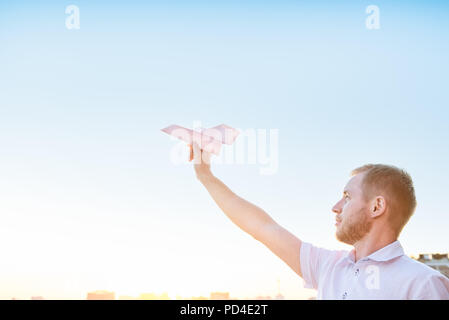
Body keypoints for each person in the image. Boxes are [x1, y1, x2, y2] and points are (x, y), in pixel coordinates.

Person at [189, 142, 449, 299]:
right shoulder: (328, 267)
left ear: (377, 206)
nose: (335, 207)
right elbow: (262, 227)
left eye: (347, 196)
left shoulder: (424, 284)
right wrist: (204, 174)